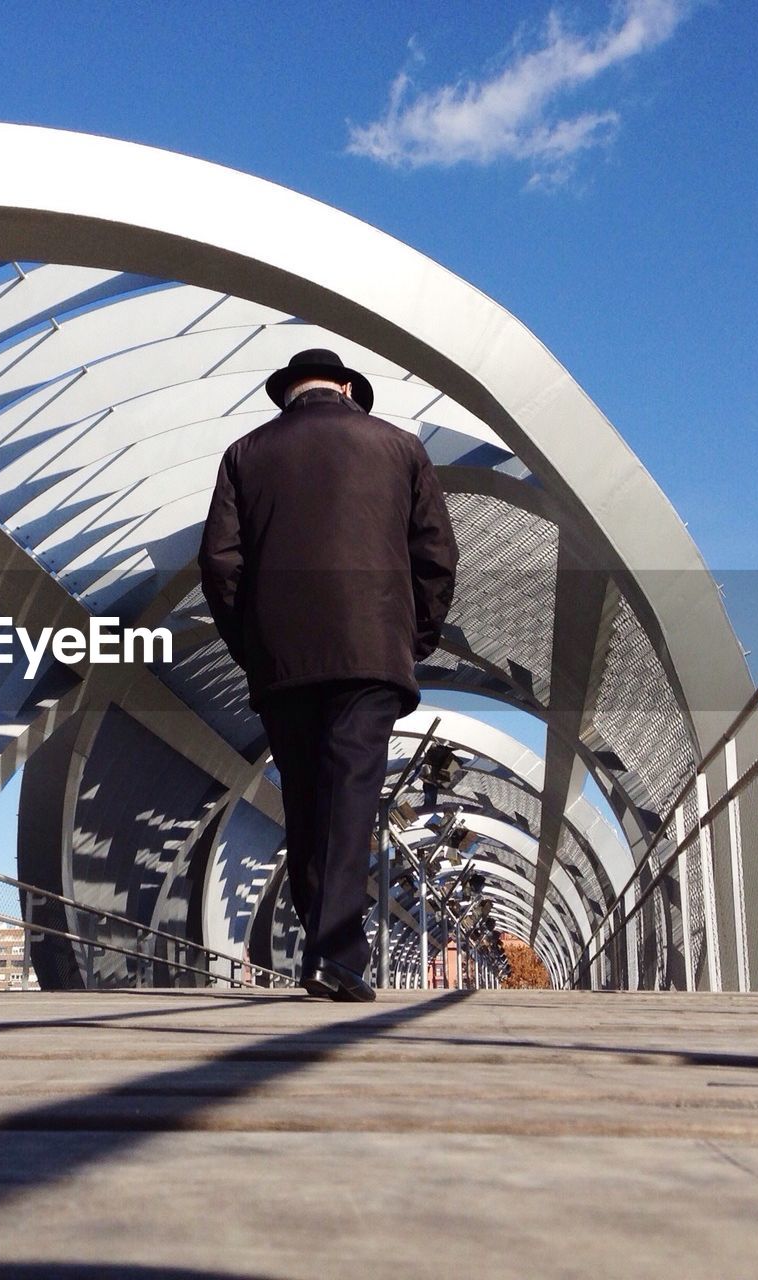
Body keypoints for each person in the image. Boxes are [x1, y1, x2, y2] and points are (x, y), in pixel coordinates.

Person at [199, 348, 458, 1001]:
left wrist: (253, 647)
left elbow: (220, 565)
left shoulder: (245, 453)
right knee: (348, 797)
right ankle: (336, 956)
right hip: (369, 650)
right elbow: (436, 555)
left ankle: (323, 946)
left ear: (288, 392)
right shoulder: (400, 447)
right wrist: (414, 636)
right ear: (346, 387)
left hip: (283, 659)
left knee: (307, 802)